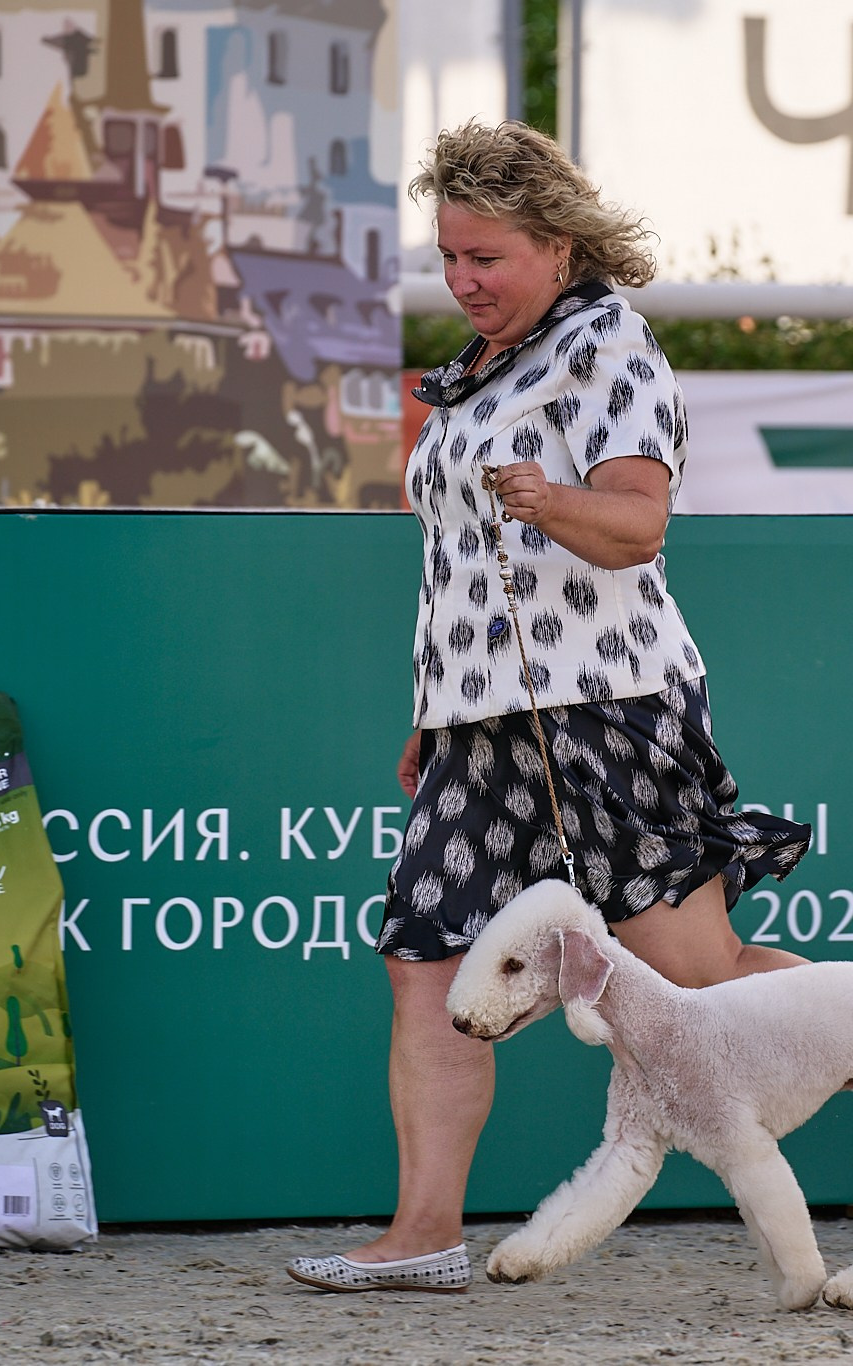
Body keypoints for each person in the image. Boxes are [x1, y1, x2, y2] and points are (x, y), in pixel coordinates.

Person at [284, 120, 815, 1295]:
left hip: (606, 708)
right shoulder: (477, 367)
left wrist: (547, 498)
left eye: (487, 258)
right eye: (450, 259)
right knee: (424, 959)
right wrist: (436, 706)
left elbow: (636, 525)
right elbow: (457, 564)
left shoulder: (608, 343)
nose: (464, 281)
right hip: (482, 723)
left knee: (697, 978)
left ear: (557, 245)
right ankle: (422, 1233)